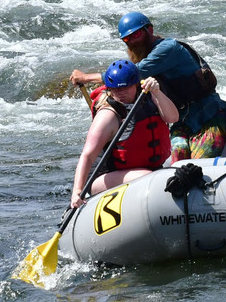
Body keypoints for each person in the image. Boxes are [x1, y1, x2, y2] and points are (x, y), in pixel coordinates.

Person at [69, 12, 226, 161]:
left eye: (136, 34)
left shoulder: (168, 49)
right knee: (179, 160)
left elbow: (131, 74)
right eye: (127, 39)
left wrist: (85, 78)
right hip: (181, 120)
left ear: (150, 30)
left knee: (200, 163)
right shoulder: (146, 56)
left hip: (208, 115)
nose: (133, 41)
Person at [70, 60, 178, 209]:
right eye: (115, 89)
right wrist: (77, 191)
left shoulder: (149, 98)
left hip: (144, 170)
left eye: (126, 88)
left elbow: (173, 118)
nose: (121, 93)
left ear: (136, 84)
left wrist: (157, 92)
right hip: (104, 177)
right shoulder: (108, 116)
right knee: (149, 177)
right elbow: (87, 156)